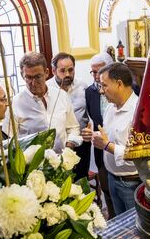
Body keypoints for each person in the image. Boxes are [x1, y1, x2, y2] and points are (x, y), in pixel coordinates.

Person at [82, 62, 140, 216]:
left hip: (131, 183)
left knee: (134, 228)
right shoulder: (110, 108)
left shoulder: (138, 111)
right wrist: (94, 136)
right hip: (112, 178)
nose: (101, 91)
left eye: (104, 85)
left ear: (119, 84)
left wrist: (106, 145)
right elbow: (109, 137)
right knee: (119, 223)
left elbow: (137, 154)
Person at [3, 52, 82, 153]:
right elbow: (8, 141)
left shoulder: (61, 95)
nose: (33, 82)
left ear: (47, 73)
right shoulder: (15, 103)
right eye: (29, 77)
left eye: (38, 76)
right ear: (22, 75)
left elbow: (73, 127)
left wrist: (68, 148)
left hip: (63, 160)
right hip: (31, 166)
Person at [46, 52, 89, 180]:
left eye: (71, 70)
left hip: (81, 142)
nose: (68, 74)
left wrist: (90, 129)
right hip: (58, 147)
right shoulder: (47, 88)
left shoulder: (82, 85)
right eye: (63, 71)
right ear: (54, 71)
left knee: (81, 179)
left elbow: (89, 110)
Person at [85, 54, 115, 218]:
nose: (96, 76)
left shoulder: (131, 88)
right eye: (93, 72)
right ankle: (111, 218)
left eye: (99, 71)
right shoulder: (90, 92)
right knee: (106, 189)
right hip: (100, 150)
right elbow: (93, 118)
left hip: (121, 148)